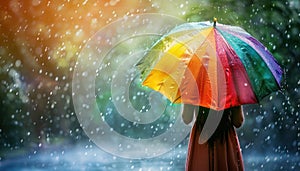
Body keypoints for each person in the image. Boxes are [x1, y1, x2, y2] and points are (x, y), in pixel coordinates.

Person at [182, 104, 245, 171]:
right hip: (224, 140)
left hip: (201, 137)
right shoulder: (231, 93)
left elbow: (187, 118)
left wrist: (188, 98)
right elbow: (238, 121)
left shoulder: (194, 93)